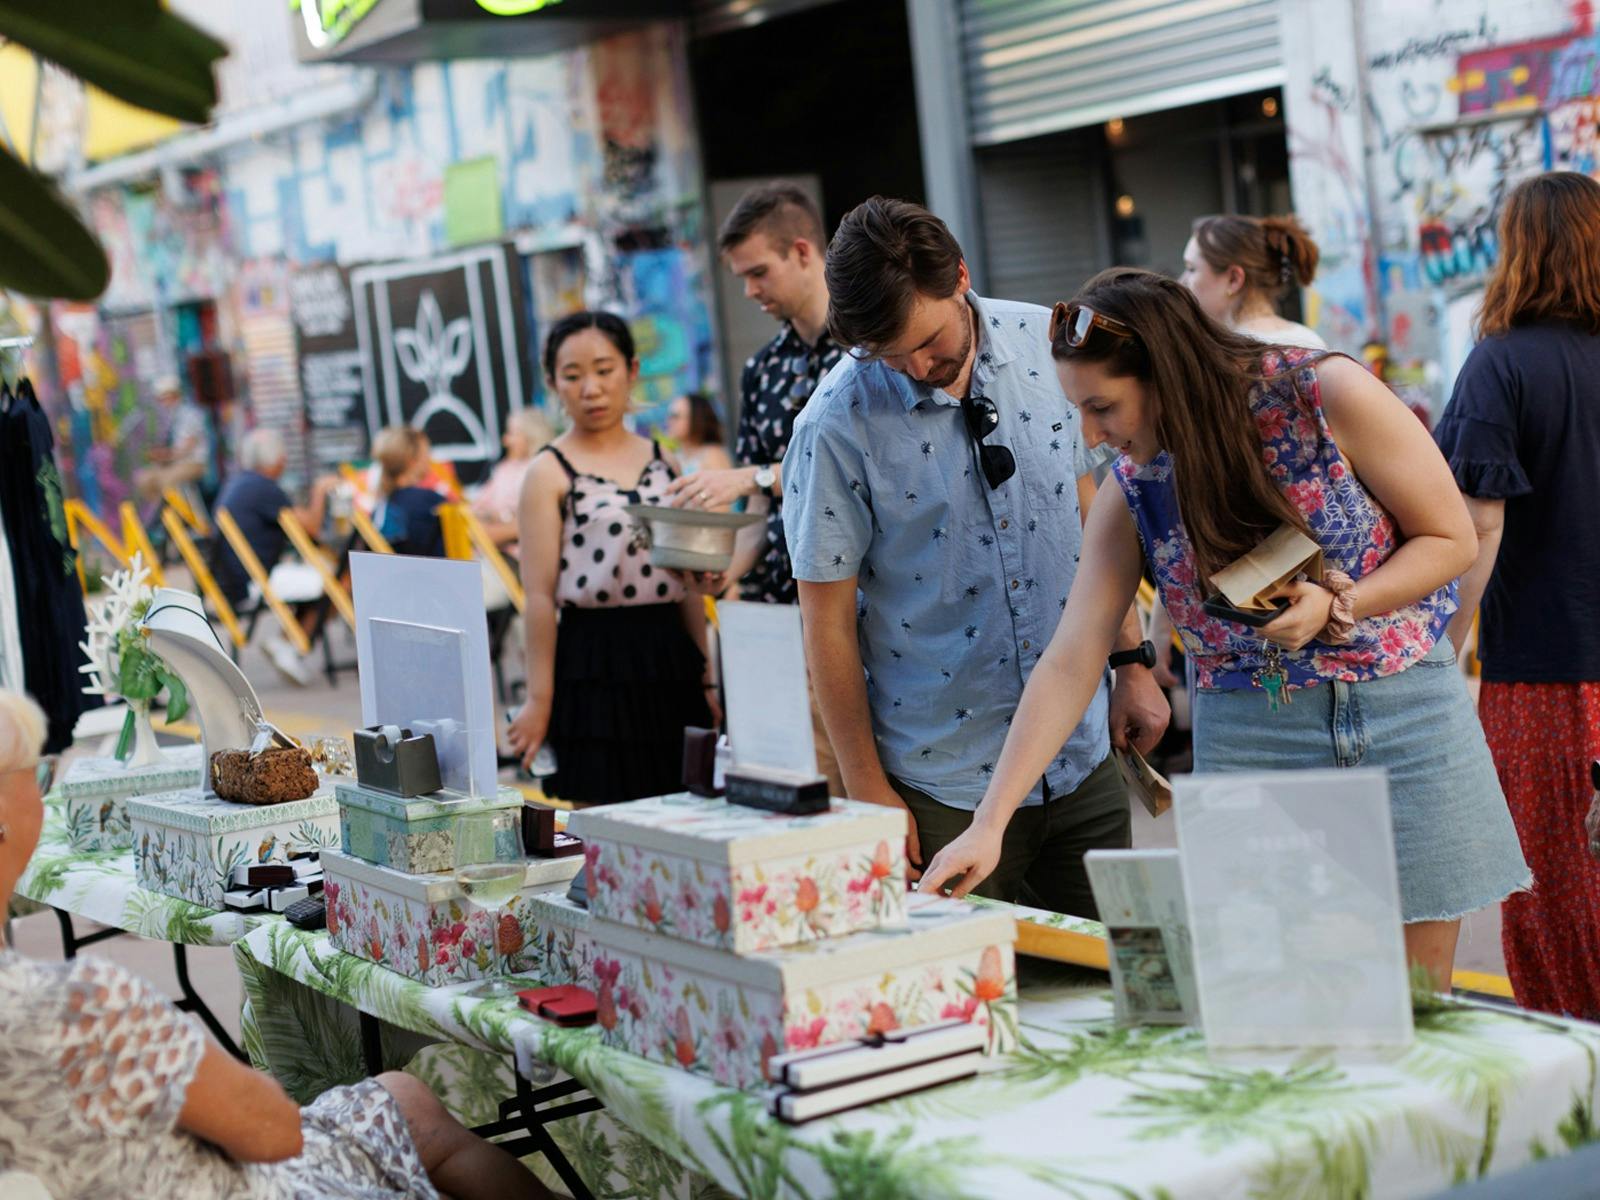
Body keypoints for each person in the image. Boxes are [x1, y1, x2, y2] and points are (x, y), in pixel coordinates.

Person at [918, 268, 1530, 989]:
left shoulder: (1322, 393)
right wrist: (989, 823)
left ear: (1165, 373)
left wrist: (1343, 604)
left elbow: (1451, 538)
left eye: (1103, 407)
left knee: (1418, 1001)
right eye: (1078, 411)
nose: (1091, 434)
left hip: (1405, 711)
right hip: (1252, 733)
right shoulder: (1134, 488)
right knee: (1284, 1002)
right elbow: (1072, 657)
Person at [0, 689, 549, 1200]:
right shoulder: (79, 1008)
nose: (47, 790)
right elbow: (275, 1133)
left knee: (398, 1097)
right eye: (40, 774)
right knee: (406, 1103)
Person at [782, 198, 1167, 918]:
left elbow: (1093, 524)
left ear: (959, 275)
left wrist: (1131, 666)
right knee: (966, 1005)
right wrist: (868, 789)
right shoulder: (833, 425)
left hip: (1081, 761)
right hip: (939, 785)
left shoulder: (1050, 348)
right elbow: (825, 625)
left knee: (1122, 980)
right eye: (888, 354)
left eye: (924, 341)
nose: (915, 367)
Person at [1434, 172, 1600, 1019]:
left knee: (1555, 895)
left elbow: (1476, 531)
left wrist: (1443, 651)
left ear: (1517, 250)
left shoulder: (1500, 366)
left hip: (1549, 681)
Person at [664, 182, 846, 796]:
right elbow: (765, 510)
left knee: (854, 796)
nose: (750, 291)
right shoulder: (761, 368)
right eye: (740, 277)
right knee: (784, 787)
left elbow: (848, 475)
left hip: (857, 613)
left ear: (803, 251)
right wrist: (724, 571)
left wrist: (755, 475)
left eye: (758, 272)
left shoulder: (870, 350)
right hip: (772, 614)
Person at [505, 312, 716, 803]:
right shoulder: (548, 471)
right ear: (553, 383)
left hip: (669, 655)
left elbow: (684, 581)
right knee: (604, 821)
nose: (591, 389)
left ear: (632, 370)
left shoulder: (664, 460)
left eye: (604, 370)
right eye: (573, 376)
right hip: (592, 663)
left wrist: (705, 676)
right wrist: (540, 700)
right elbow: (537, 597)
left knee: (686, 814)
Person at [213, 428, 340, 687]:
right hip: (254, 581)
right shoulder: (264, 489)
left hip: (234, 580)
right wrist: (320, 490)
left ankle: (288, 642)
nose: (285, 461)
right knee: (339, 580)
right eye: (283, 456)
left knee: (326, 575)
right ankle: (289, 645)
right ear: (273, 460)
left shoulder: (240, 483)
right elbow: (311, 527)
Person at [1180, 214, 1327, 349]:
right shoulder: (1310, 340)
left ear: (1234, 279)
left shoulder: (1226, 354)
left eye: (1191, 269)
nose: (1182, 281)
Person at [473, 408, 555, 549]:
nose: (505, 440)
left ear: (531, 436)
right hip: (493, 550)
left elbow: (535, 523)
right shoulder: (504, 468)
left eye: (511, 434)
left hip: (517, 557)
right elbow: (476, 507)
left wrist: (496, 520)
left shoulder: (541, 472)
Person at [372, 427, 447, 558]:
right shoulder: (429, 502)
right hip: (432, 575)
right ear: (412, 461)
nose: (431, 459)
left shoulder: (381, 507)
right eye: (427, 453)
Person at [133, 376, 209, 505]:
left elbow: (188, 447)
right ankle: (166, 515)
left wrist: (165, 455)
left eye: (164, 398)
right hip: (176, 462)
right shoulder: (170, 416)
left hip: (194, 462)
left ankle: (181, 517)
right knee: (144, 479)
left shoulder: (190, 414)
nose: (162, 403)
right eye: (160, 399)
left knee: (166, 481)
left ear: (174, 395)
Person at [663, 392, 731, 478]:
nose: (669, 421)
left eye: (675, 416)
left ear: (696, 419)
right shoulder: (676, 456)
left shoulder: (712, 455)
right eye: (669, 416)